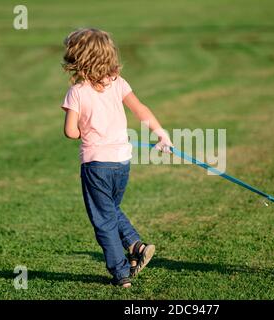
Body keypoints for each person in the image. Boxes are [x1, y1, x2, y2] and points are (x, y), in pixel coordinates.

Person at [61, 28, 172, 288]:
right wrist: (161, 134)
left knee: (103, 220)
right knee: (109, 209)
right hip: (122, 162)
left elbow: (70, 131)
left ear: (76, 58)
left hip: (96, 164)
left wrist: (81, 130)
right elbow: (141, 109)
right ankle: (136, 245)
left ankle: (121, 272)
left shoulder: (77, 92)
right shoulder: (118, 82)